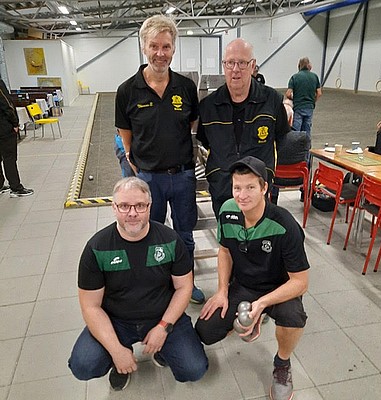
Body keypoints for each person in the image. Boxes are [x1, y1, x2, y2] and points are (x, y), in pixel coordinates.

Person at [68, 177, 208, 391]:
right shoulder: (97, 248)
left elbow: (184, 288)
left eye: (140, 205)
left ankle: (162, 349)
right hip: (116, 320)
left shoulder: (170, 240)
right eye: (124, 206)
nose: (132, 213)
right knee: (83, 365)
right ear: (114, 207)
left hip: (161, 315)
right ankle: (120, 362)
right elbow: (90, 306)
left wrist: (163, 327)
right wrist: (116, 351)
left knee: (194, 369)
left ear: (149, 207)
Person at [195, 156, 309, 400]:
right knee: (206, 331)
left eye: (250, 187)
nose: (242, 195)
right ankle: (252, 319)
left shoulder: (284, 224)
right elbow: (225, 251)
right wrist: (222, 291)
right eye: (237, 187)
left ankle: (282, 364)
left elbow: (300, 282)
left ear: (264, 188)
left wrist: (262, 304)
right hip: (245, 285)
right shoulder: (227, 211)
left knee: (293, 318)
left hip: (279, 288)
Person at [115, 15, 205, 304]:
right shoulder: (127, 91)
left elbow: (191, 125)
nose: (160, 53)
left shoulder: (186, 87)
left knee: (185, 235)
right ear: (144, 47)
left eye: (166, 46)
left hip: (182, 176)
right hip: (149, 178)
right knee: (147, 234)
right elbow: (126, 136)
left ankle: (186, 284)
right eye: (154, 46)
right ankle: (156, 287)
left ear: (173, 48)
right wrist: (138, 165)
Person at [196, 38, 290, 218]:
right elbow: (207, 143)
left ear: (252, 66)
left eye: (242, 63)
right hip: (222, 189)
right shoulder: (208, 106)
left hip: (257, 192)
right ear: (224, 66)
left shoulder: (272, 100)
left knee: (257, 233)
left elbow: (281, 139)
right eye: (230, 63)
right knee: (227, 234)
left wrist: (266, 174)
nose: (235, 69)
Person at [270, 103, 311, 204]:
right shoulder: (303, 137)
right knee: (308, 157)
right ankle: (305, 193)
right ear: (291, 119)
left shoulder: (271, 138)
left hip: (275, 178)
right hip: (299, 178)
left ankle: (274, 197)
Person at [0, 78, 34, 197]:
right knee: (9, 158)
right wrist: (15, 123)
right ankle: (16, 188)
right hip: (4, 128)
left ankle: (0, 185)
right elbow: (7, 105)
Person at [285, 57, 322, 137]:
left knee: (296, 129)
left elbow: (288, 94)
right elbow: (319, 93)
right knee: (307, 129)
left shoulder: (295, 77)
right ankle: (306, 144)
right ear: (309, 65)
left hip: (298, 106)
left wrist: (293, 99)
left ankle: (295, 144)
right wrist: (313, 101)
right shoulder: (314, 76)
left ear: (299, 65)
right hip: (309, 106)